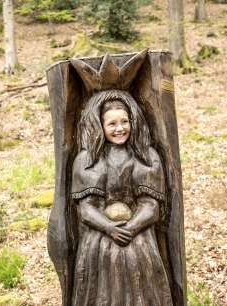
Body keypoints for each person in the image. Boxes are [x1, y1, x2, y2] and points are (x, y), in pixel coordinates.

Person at [71, 90, 173, 305]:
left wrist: (131, 229)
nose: (120, 128)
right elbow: (87, 208)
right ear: (99, 126)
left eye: (124, 121)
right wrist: (109, 228)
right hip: (99, 237)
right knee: (101, 287)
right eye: (112, 124)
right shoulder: (87, 159)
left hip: (138, 235)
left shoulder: (146, 156)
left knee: (140, 282)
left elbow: (150, 205)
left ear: (132, 121)